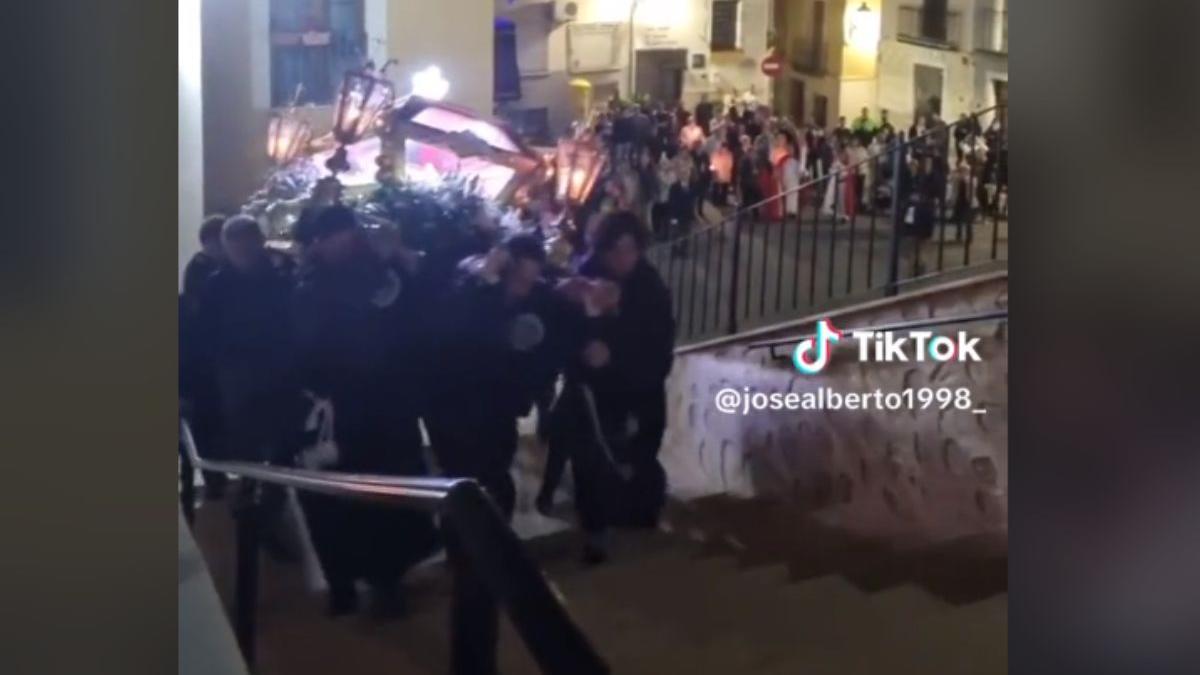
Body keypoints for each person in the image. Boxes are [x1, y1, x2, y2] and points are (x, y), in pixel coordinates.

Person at [425, 234, 580, 673]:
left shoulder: (535, 303)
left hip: (497, 415)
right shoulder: (472, 289)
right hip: (455, 412)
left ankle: (480, 557)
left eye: (532, 280)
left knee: (492, 488)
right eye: (519, 279)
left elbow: (552, 339)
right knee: (469, 491)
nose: (524, 289)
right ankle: (470, 559)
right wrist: (486, 285)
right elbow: (449, 333)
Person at [292, 205, 438, 617]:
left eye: (348, 234)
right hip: (343, 411)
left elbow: (413, 320)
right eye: (335, 236)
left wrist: (400, 262)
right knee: (342, 500)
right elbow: (316, 340)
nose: (345, 242)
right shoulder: (313, 284)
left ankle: (386, 581)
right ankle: (347, 583)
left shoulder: (381, 271)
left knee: (386, 497)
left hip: (388, 408)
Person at [555, 212, 674, 564]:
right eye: (616, 250)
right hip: (594, 395)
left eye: (630, 250)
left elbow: (658, 340)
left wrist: (617, 353)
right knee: (591, 462)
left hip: (640, 388)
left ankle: (641, 509)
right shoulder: (583, 279)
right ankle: (596, 530)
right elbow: (564, 330)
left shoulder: (650, 287)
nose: (623, 259)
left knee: (640, 453)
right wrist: (583, 350)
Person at [192, 215, 301, 557]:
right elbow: (204, 338)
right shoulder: (220, 285)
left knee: (280, 449)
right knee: (250, 450)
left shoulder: (275, 278)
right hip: (240, 377)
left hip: (269, 374)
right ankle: (256, 514)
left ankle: (264, 513)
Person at [180, 214, 228, 498]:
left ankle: (213, 481)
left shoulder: (209, 271)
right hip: (205, 370)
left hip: (212, 368)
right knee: (206, 428)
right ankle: (211, 482)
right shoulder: (202, 273)